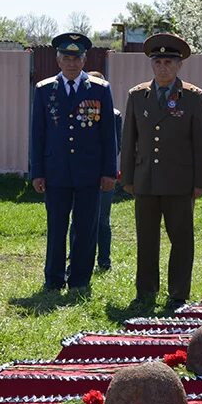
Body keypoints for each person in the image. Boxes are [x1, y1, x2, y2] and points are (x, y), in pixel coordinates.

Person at [121, 34, 202, 311]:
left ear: (179, 66)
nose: (163, 67)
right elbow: (128, 140)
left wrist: (200, 181)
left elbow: (201, 141)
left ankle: (178, 292)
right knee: (146, 239)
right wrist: (128, 177)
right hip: (145, 179)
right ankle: (146, 290)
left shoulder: (193, 97)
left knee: (181, 239)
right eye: (158, 62)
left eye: (168, 62)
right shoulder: (137, 96)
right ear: (151, 65)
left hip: (179, 181)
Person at [29, 34, 117, 294]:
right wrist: (37, 172)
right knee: (56, 227)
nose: (71, 63)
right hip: (56, 171)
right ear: (57, 59)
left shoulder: (100, 89)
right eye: (66, 58)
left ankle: (80, 278)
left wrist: (109, 171)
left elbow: (108, 135)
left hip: (89, 172)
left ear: (84, 59)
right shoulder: (45, 89)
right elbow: (38, 135)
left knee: (86, 227)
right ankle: (53, 278)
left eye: (76, 58)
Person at [87, 70, 122, 272]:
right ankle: (75, 258)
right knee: (78, 220)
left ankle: (104, 261)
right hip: (82, 174)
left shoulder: (114, 115)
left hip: (105, 174)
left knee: (102, 220)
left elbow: (116, 146)